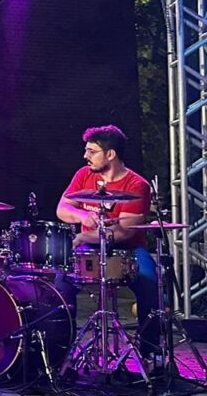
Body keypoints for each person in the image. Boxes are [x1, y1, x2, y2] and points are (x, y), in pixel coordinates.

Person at [55, 125, 159, 360]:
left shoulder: (137, 185)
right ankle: (60, 352)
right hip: (90, 248)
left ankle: (150, 354)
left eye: (92, 151)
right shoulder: (84, 175)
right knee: (61, 285)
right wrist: (83, 216)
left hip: (128, 249)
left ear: (110, 154)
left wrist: (82, 236)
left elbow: (124, 233)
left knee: (151, 284)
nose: (85, 156)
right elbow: (62, 208)